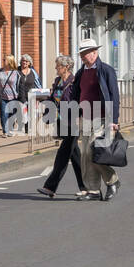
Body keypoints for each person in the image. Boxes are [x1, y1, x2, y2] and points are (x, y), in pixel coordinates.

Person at [69, 41, 122, 201]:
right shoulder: (81, 72)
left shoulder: (106, 70)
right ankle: (93, 190)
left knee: (95, 151)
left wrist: (114, 120)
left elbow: (114, 96)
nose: (83, 57)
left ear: (94, 52)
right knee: (85, 153)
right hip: (85, 117)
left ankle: (112, 180)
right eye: (81, 54)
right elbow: (76, 94)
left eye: (85, 54)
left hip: (102, 117)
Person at [37, 54, 91, 199]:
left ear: (66, 67)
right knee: (75, 156)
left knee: (63, 154)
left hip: (72, 122)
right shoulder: (57, 81)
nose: (56, 68)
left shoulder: (74, 81)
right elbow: (52, 99)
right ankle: (86, 186)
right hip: (61, 121)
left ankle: (50, 186)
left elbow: (80, 99)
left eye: (58, 66)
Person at [0, 55, 23, 137]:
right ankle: (5, 131)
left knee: (12, 115)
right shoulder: (0, 71)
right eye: (3, 59)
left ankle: (10, 129)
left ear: (10, 61)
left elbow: (20, 85)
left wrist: (21, 97)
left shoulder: (16, 72)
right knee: (3, 114)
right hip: (2, 96)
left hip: (13, 97)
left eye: (5, 60)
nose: (3, 61)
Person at [16, 55, 39, 132]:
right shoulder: (17, 71)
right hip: (20, 95)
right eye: (23, 60)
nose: (24, 62)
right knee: (23, 114)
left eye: (26, 61)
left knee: (31, 113)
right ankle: (25, 126)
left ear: (29, 63)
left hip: (31, 95)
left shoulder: (33, 72)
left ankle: (28, 128)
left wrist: (39, 93)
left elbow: (37, 83)